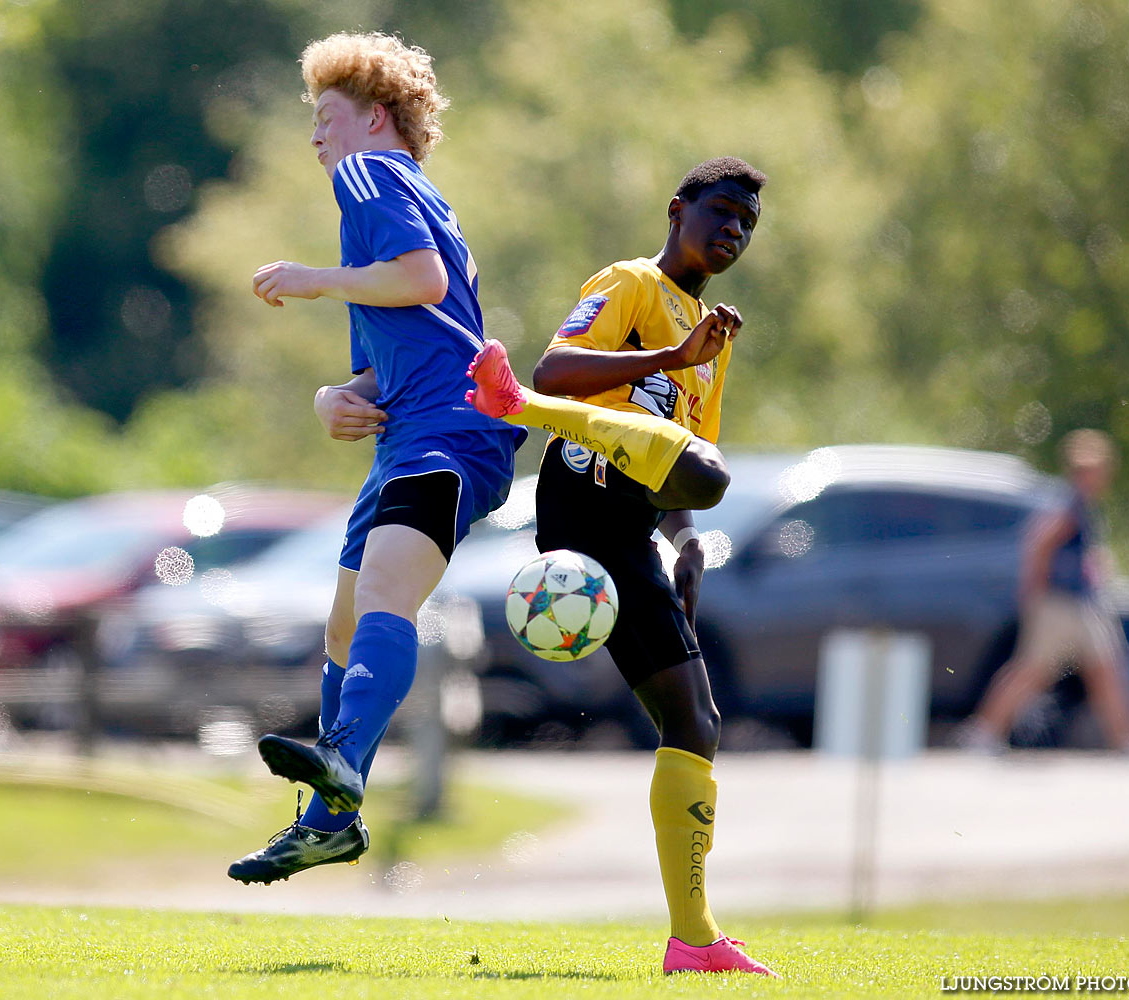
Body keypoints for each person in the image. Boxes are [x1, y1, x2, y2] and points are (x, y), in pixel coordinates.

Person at [467, 157, 777, 977]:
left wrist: (682, 542)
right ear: (677, 210)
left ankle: (693, 938)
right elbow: (555, 370)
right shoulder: (633, 284)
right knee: (704, 476)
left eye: (747, 222)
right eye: (720, 211)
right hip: (580, 499)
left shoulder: (713, 338)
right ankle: (696, 938)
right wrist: (668, 357)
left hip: (630, 531)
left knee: (695, 720)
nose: (733, 230)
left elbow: (685, 467)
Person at [228, 32, 522, 885]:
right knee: (345, 629)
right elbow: (388, 352)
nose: (316, 137)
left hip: (450, 427)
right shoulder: (401, 195)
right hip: (415, 431)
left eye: (327, 116)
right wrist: (333, 399)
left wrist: (314, 279)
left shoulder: (370, 176)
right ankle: (325, 824)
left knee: (387, 595)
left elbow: (422, 281)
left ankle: (344, 766)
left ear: (376, 118)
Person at [960, 429, 1129, 753]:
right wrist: (1036, 595)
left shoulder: (1079, 502)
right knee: (1032, 670)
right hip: (1060, 604)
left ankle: (1126, 741)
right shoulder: (1070, 502)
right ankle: (982, 733)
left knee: (1105, 668)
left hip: (1078, 603)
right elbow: (1039, 544)